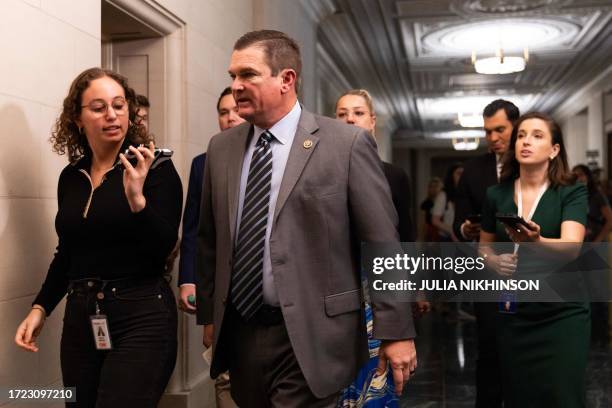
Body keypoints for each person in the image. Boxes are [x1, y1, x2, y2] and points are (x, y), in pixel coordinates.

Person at [195, 30, 417, 407]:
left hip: (313, 335)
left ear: (286, 79)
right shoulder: (221, 149)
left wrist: (396, 331)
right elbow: (210, 238)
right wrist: (210, 315)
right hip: (243, 333)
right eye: (232, 76)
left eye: (248, 74)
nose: (235, 86)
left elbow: (382, 244)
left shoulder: (344, 145)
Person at [13, 67, 183, 407]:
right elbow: (68, 253)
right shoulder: (71, 177)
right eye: (98, 107)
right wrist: (41, 307)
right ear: (77, 118)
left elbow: (164, 247)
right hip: (83, 316)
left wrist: (138, 202)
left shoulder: (155, 169)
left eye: (119, 106)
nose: (111, 115)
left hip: (142, 314)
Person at [479, 112, 589, 407]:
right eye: (522, 135)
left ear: (554, 150)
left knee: (563, 396)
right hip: (514, 313)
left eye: (537, 135)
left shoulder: (571, 191)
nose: (526, 141)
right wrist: (494, 262)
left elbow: (571, 247)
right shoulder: (496, 194)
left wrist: (537, 242)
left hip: (562, 312)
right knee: (520, 396)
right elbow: (484, 248)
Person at [335, 89, 422, 408]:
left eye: (357, 113)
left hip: (379, 281)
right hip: (338, 283)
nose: (349, 119)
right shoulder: (323, 170)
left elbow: (404, 236)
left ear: (372, 121)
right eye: (342, 113)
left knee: (378, 363)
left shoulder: (393, 175)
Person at [178, 86, 244, 408]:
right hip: (221, 290)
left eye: (235, 109)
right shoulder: (203, 164)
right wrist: (192, 287)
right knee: (226, 376)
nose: (230, 117)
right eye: (222, 112)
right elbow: (194, 233)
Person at [452, 99, 519, 408]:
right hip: (488, 272)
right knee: (490, 348)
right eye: (488, 131)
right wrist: (467, 229)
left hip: (532, 269)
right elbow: (459, 220)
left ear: (516, 126)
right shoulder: (474, 170)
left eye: (500, 130)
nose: (493, 138)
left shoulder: (532, 161)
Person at [572, 164, 612, 242]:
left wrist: (597, 242)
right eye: (575, 176)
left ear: (588, 177)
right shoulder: (573, 196)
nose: (578, 178)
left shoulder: (597, 195)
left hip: (597, 241)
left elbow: (610, 220)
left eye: (581, 174)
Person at [431, 163, 463, 241]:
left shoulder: (467, 194)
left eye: (463, 174)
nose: (462, 176)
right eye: (458, 173)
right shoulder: (443, 195)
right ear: (451, 176)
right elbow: (435, 220)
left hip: (464, 237)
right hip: (447, 238)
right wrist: (451, 231)